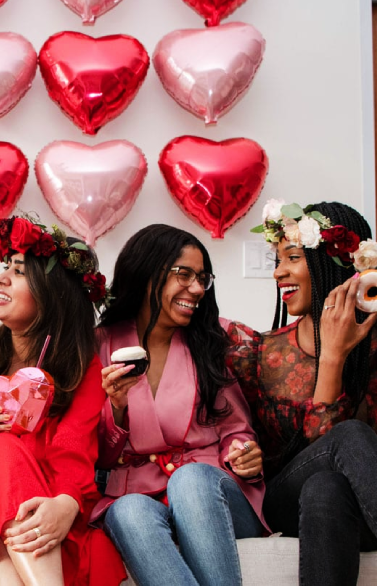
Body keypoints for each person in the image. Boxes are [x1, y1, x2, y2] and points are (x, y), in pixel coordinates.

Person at [227, 200, 377, 586]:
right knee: (342, 444)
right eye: (277, 259)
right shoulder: (261, 353)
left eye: (292, 257)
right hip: (287, 501)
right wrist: (332, 357)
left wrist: (336, 352)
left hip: (371, 509)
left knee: (328, 485)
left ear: (333, 265)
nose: (278, 273)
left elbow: (342, 456)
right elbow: (321, 449)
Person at [0, 216, 127, 586]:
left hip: (47, 523)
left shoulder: (81, 368)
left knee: (9, 551)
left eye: (19, 272)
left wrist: (66, 504)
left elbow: (74, 451)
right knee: (2, 446)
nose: (1, 277)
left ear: (52, 291)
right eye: (5, 267)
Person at [93, 224, 266, 586]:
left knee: (190, 481)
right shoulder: (101, 344)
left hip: (210, 491)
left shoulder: (212, 339)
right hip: (136, 489)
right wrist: (118, 406)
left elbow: (236, 429)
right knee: (127, 511)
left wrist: (243, 453)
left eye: (202, 278)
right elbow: (99, 456)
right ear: (146, 273)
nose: (198, 289)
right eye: (183, 275)